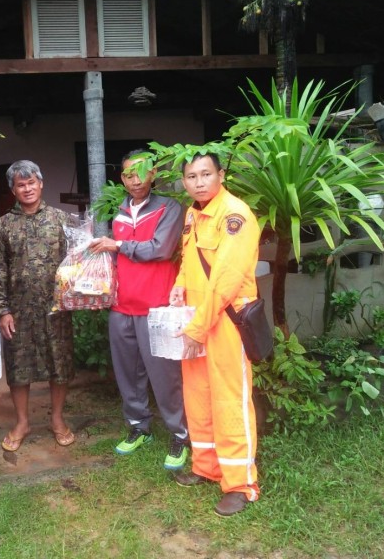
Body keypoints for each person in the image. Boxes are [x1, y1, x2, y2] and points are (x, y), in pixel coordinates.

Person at [169, 152, 261, 517]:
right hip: (197, 319)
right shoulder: (193, 214)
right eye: (192, 177)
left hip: (225, 321)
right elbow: (189, 260)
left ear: (221, 175)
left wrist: (197, 328)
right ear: (185, 182)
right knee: (198, 395)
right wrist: (179, 285)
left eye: (206, 174)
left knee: (229, 400)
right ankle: (206, 467)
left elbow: (225, 280)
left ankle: (240, 484)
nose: (199, 182)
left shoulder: (235, 215)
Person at [89, 150, 189, 469]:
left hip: (156, 306)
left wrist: (117, 245)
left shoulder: (169, 208)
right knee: (127, 373)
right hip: (122, 306)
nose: (136, 180)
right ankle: (138, 427)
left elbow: (161, 249)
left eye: (142, 172)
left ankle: (180, 433)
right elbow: (113, 257)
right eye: (129, 175)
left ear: (153, 173)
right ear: (122, 179)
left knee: (165, 375)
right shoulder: (119, 213)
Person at [0, 160, 76, 452]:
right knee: (18, 366)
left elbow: (75, 263)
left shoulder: (61, 220)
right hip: (18, 310)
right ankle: (22, 422)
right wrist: (2, 310)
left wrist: (74, 296)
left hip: (56, 308)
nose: (27, 189)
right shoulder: (2, 225)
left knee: (59, 363)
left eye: (31, 182)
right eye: (20, 185)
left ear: (41, 184)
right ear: (13, 190)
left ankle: (57, 419)